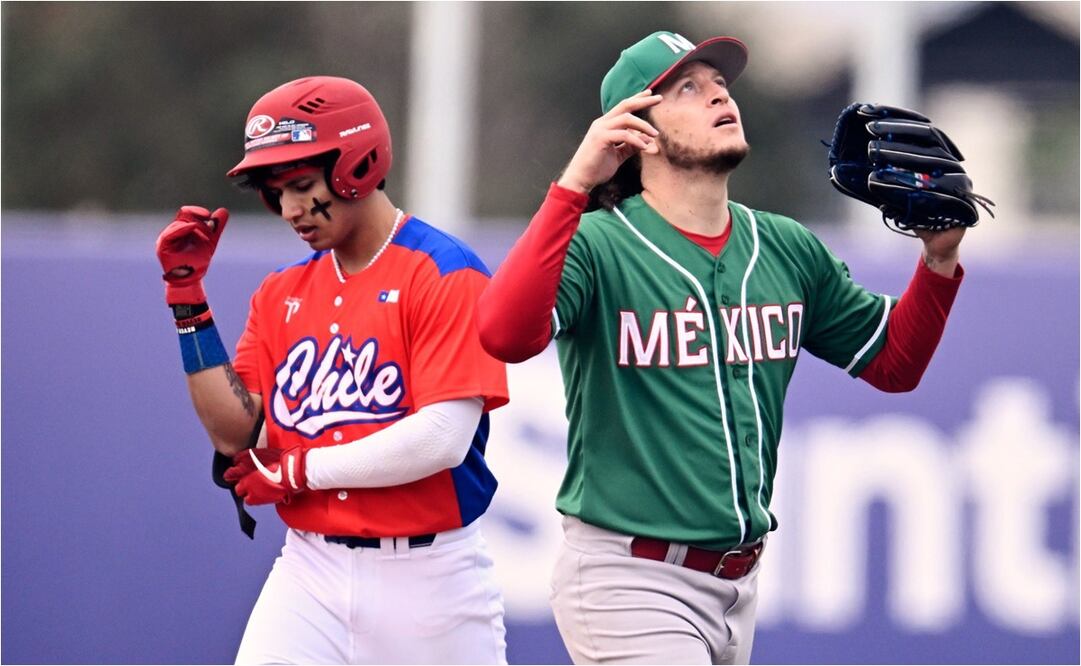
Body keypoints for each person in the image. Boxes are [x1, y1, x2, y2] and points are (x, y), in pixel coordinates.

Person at [476, 31, 977, 665]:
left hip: (738, 586)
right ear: (634, 130)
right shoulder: (598, 245)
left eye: (720, 84)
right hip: (628, 577)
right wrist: (577, 180)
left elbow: (894, 363)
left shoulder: (785, 246)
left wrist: (939, 259)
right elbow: (503, 334)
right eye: (688, 88)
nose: (719, 96)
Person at [155, 76, 509, 665]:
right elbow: (240, 435)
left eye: (300, 185)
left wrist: (299, 470)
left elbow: (443, 438)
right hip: (310, 569)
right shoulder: (282, 291)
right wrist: (188, 301)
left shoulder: (444, 270)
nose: (290, 208)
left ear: (359, 165)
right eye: (276, 191)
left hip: (431, 579)